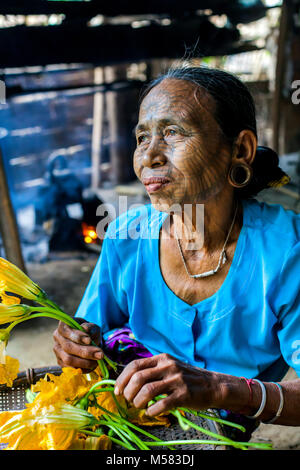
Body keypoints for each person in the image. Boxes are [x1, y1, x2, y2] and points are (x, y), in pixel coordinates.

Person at [53, 66, 300, 437]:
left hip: (220, 428)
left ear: (240, 149)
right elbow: (91, 332)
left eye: (172, 132)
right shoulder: (126, 234)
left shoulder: (285, 249)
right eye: (141, 137)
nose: (149, 155)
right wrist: (74, 343)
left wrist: (217, 388)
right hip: (134, 417)